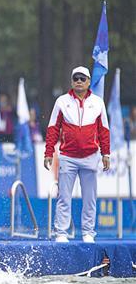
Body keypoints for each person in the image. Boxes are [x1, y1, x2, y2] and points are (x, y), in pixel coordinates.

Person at [44, 66, 111, 243]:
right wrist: (48, 152)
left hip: (90, 156)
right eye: (76, 78)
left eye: (82, 79)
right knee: (64, 197)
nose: (79, 81)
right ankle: (61, 233)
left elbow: (104, 130)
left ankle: (88, 232)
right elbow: (52, 128)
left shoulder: (98, 102)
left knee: (90, 198)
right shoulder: (61, 101)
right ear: (72, 81)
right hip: (68, 156)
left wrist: (106, 153)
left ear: (89, 82)